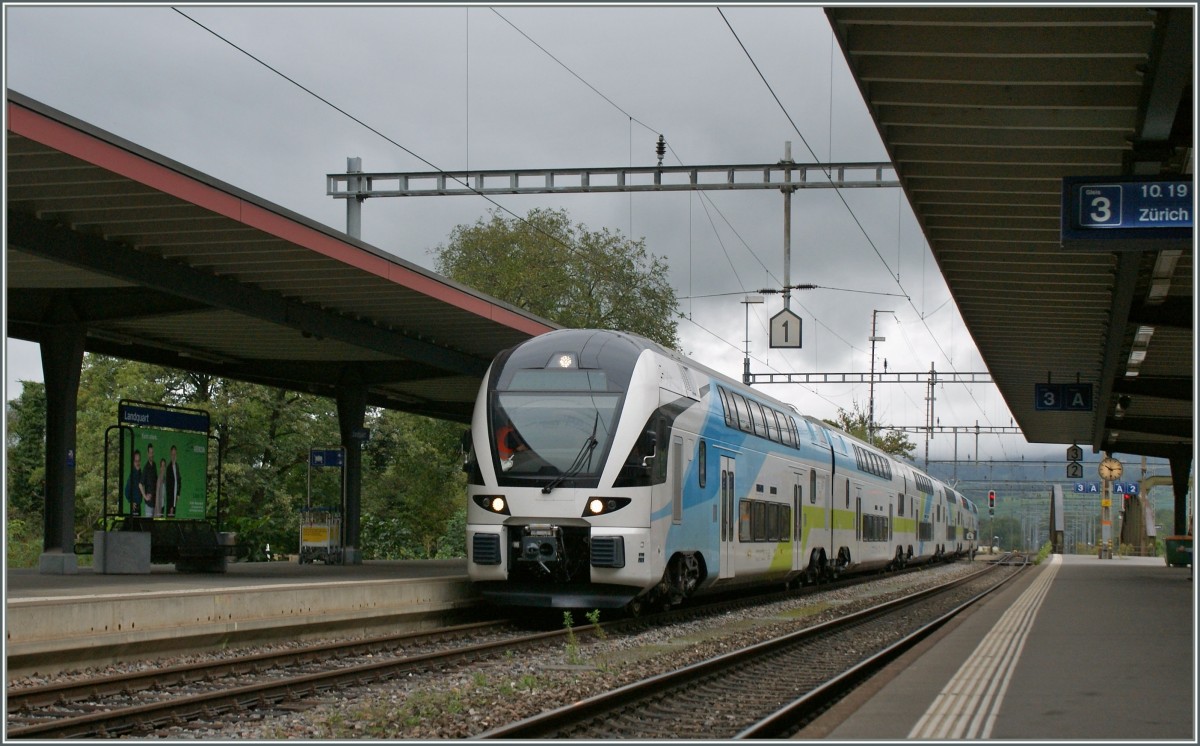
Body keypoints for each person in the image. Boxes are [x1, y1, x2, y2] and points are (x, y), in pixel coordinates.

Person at [125, 449, 146, 516]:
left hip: (139, 505)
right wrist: (131, 501)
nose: (138, 463)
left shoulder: (140, 473)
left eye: (139, 460)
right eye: (136, 461)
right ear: (133, 462)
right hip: (135, 506)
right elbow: (126, 491)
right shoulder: (133, 475)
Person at [164, 444, 182, 518]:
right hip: (171, 500)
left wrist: (178, 494)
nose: (174, 456)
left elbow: (179, 480)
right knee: (169, 517)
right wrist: (171, 505)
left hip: (175, 499)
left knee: (173, 517)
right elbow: (168, 488)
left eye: (175, 454)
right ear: (170, 455)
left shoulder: (177, 466)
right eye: (172, 454)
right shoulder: (169, 468)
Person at [141, 443, 158, 518]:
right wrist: (145, 496)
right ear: (148, 454)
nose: (151, 454)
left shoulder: (154, 465)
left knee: (153, 524)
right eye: (150, 453)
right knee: (148, 523)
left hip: (155, 501)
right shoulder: (146, 467)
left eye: (152, 452)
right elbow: (140, 484)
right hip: (149, 503)